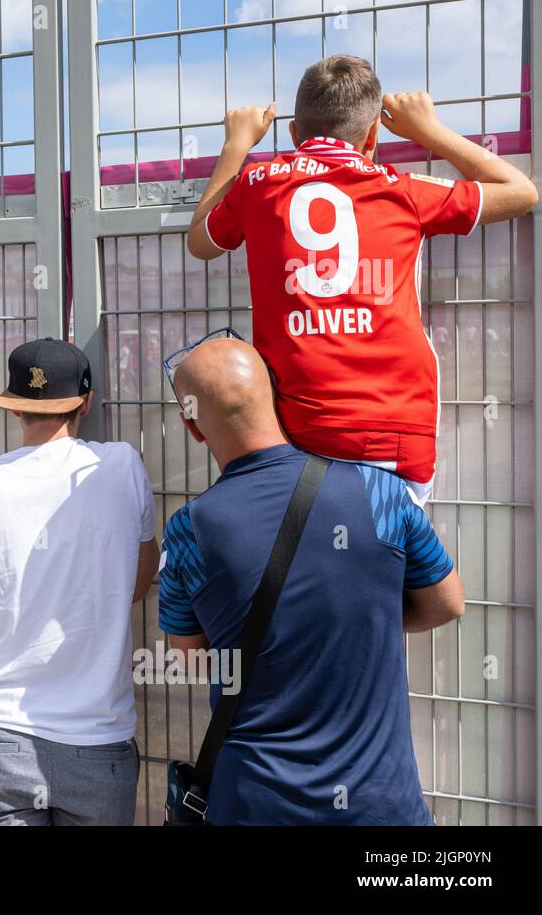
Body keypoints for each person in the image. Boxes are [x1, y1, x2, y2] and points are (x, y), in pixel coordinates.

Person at [185, 55, 538, 503]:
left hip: (298, 433)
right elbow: (523, 191)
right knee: (392, 563)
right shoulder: (403, 189)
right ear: (373, 134)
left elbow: (201, 241)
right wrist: (429, 131)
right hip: (395, 434)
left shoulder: (257, 183)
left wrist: (236, 144)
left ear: (294, 135)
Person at [159, 336, 463, 825]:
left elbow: (188, 656)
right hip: (378, 806)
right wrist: (365, 622)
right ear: (276, 396)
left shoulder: (189, 530)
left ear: (192, 427)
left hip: (255, 804)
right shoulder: (378, 491)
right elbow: (448, 603)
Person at [0, 338, 158, 826]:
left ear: (14, 407)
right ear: (86, 401)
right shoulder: (122, 466)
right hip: (97, 743)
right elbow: (140, 583)